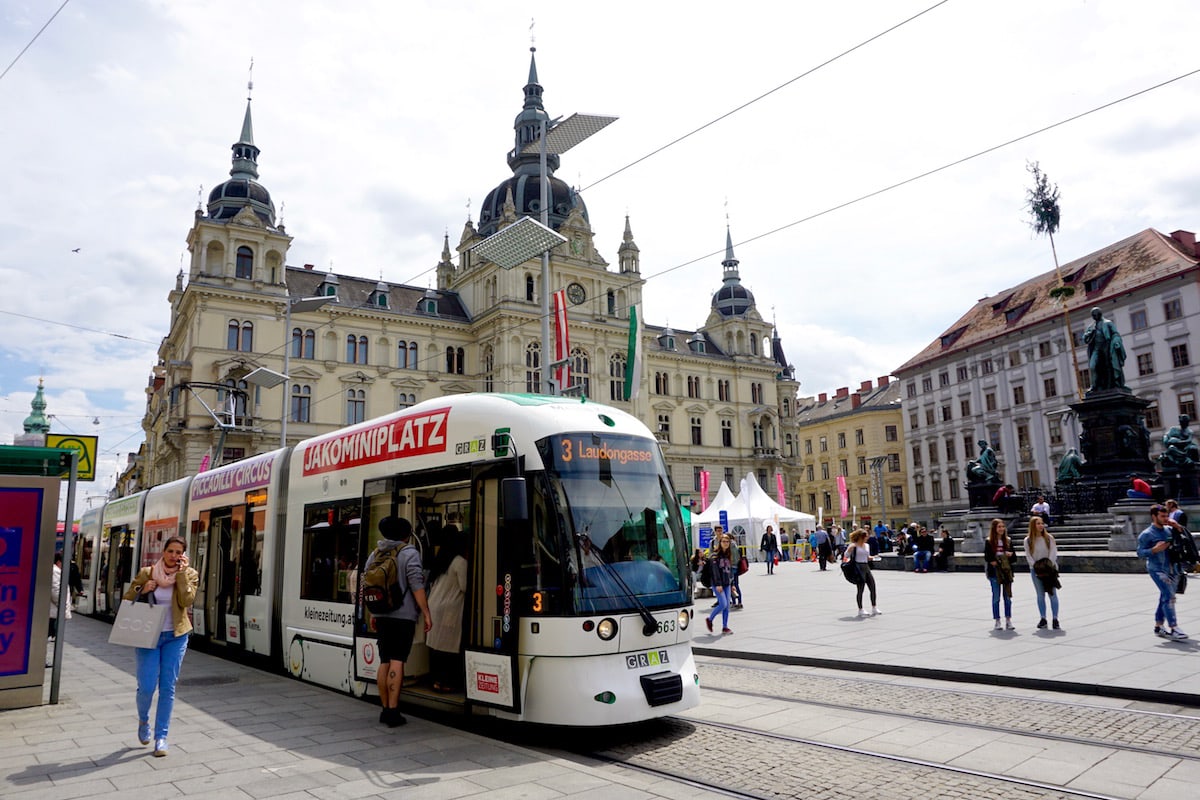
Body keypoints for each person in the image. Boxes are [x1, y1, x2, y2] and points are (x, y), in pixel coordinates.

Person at [124, 536, 199, 756]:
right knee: (146, 686)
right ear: (163, 552)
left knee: (168, 687)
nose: (174, 556)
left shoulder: (190, 574)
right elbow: (127, 599)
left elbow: (187, 601)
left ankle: (161, 737)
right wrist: (143, 589)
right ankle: (143, 721)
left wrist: (183, 575)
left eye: (179, 553)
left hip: (176, 636)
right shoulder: (147, 572)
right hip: (148, 636)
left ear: (183, 556)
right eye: (171, 551)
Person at [366, 516, 432, 727]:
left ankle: (385, 709)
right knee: (397, 660)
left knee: (384, 660)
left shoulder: (374, 554)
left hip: (381, 615)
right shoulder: (409, 553)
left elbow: (367, 584)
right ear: (406, 534)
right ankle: (394, 711)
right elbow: (416, 584)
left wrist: (372, 613)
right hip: (403, 616)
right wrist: (426, 612)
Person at [424, 526, 468, 693]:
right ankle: (447, 682)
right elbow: (465, 586)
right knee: (449, 647)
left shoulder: (440, 558)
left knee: (436, 646)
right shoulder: (460, 562)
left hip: (434, 605)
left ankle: (436, 681)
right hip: (450, 608)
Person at [1137, 504, 1188, 640]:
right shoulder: (1147, 534)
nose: (1166, 518)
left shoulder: (1169, 530)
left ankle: (1159, 626)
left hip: (1172, 568)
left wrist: (1177, 526)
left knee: (1165, 596)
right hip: (1157, 569)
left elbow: (1184, 538)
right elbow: (1140, 552)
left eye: (1167, 515)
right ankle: (1174, 627)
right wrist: (1154, 550)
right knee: (1169, 597)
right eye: (1162, 516)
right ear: (1154, 517)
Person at [1024, 516, 1061, 630]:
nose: (1041, 526)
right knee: (1040, 594)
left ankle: (1055, 618)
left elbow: (1053, 552)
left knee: (1052, 593)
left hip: (1049, 569)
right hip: (1036, 570)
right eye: (1038, 524)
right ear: (1033, 526)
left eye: (1042, 523)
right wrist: (1035, 566)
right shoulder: (1028, 540)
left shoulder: (1049, 538)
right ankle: (1043, 618)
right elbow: (1028, 555)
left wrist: (1048, 564)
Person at [1083, 306, 1127, 392]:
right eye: (1093, 316)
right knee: (1093, 366)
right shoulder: (1091, 326)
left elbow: (1115, 334)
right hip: (1096, 348)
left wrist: (1116, 342)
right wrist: (1089, 334)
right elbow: (1084, 338)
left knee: (1109, 366)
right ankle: (1094, 385)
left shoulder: (1108, 323)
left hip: (1107, 346)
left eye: (1096, 315)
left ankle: (1113, 384)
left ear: (1100, 314)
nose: (1095, 317)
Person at [985, 519, 1016, 631]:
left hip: (1007, 571)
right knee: (996, 597)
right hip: (995, 572)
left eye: (1003, 526)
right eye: (999, 527)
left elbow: (1014, 558)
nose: (1001, 529)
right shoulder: (989, 541)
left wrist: (1009, 555)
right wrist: (996, 560)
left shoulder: (1008, 540)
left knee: (1007, 597)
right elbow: (988, 557)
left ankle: (1008, 619)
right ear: (994, 528)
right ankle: (997, 620)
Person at [705, 532, 736, 635]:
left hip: (727, 583)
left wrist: (732, 585)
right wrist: (718, 584)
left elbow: (729, 571)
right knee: (723, 604)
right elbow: (715, 571)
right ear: (720, 542)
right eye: (724, 541)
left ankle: (725, 626)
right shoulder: (715, 556)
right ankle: (710, 619)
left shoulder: (728, 555)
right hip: (718, 584)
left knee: (727, 606)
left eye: (727, 542)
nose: (726, 543)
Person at [846, 529, 880, 617]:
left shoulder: (867, 545)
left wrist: (873, 557)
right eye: (866, 536)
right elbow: (846, 556)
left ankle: (874, 607)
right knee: (860, 589)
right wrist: (849, 549)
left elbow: (867, 557)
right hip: (858, 568)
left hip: (866, 567)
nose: (867, 538)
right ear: (861, 537)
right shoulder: (854, 546)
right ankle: (860, 609)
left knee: (872, 586)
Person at [49, 553, 71, 640]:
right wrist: (63, 607)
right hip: (55, 612)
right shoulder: (55, 572)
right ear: (59, 562)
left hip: (54, 611)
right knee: (52, 634)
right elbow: (56, 591)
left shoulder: (54, 571)